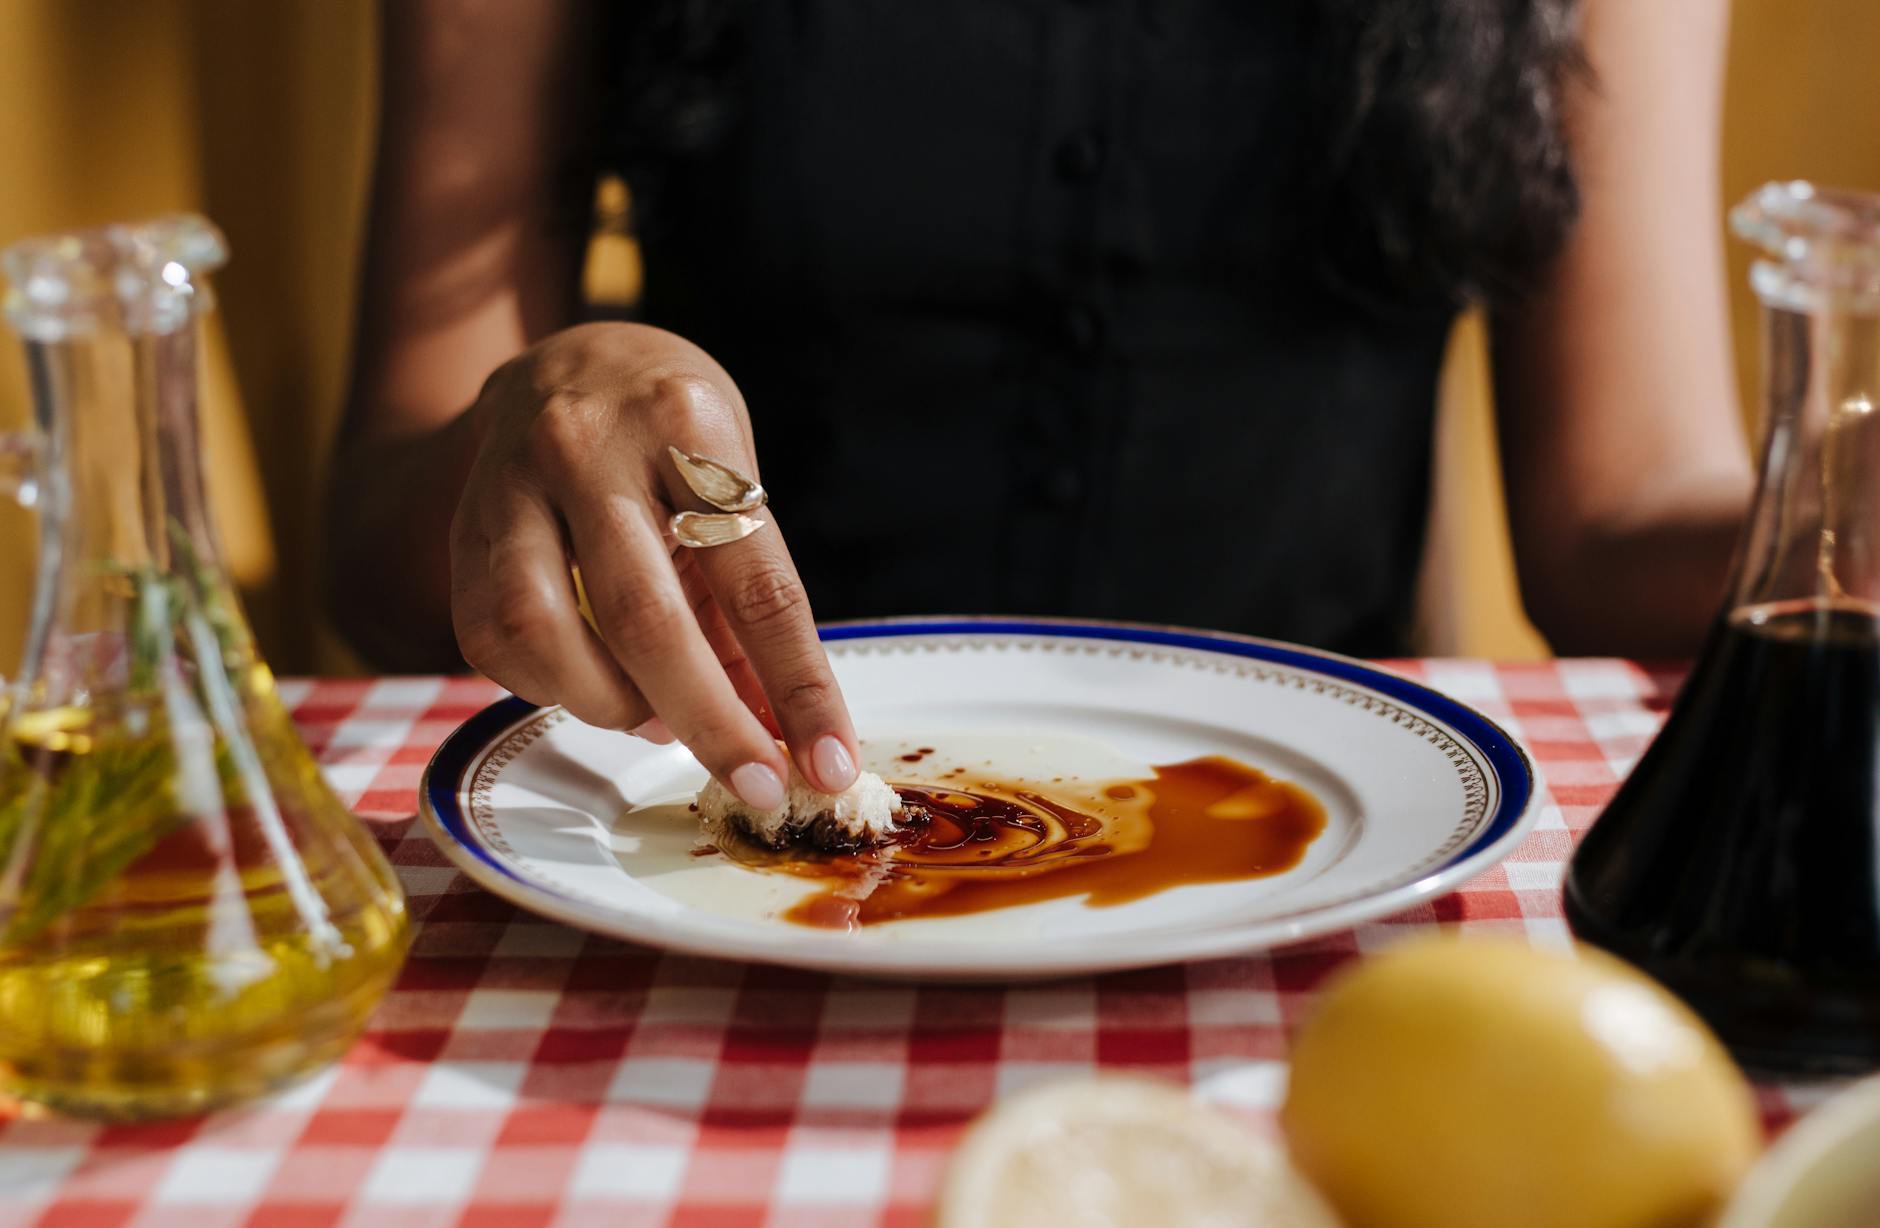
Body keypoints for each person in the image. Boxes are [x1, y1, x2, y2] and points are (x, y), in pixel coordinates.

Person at [324, 0, 1750, 813]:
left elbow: (1622, 518)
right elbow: (382, 550)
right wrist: (531, 425)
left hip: (1324, 846)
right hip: (707, 824)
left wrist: (1839, 505)